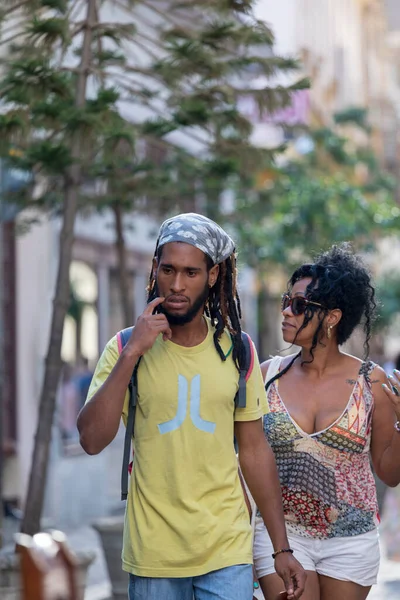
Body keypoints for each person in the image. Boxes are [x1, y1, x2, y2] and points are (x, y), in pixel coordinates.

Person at [77, 213, 306, 600]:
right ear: (155, 269)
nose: (177, 285)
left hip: (226, 548)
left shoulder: (239, 350)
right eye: (167, 270)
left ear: (213, 276)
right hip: (155, 553)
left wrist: (281, 549)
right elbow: (91, 440)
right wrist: (134, 351)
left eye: (190, 273)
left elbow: (253, 451)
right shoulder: (123, 347)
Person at [254, 244, 400, 600]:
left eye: (300, 306)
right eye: (287, 301)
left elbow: (390, 473)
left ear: (332, 317)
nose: (287, 312)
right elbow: (248, 458)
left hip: (350, 541)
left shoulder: (372, 382)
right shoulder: (265, 377)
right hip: (280, 537)